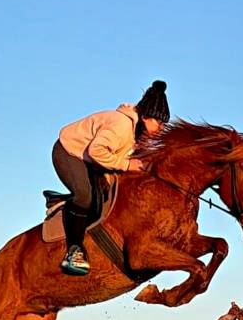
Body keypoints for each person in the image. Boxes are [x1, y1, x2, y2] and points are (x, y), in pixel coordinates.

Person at [52, 79, 170, 275]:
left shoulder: (135, 134)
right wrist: (126, 165)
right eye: (159, 122)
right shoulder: (122, 125)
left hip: (89, 158)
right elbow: (97, 151)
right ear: (147, 116)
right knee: (84, 196)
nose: (161, 128)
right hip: (68, 152)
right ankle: (73, 253)